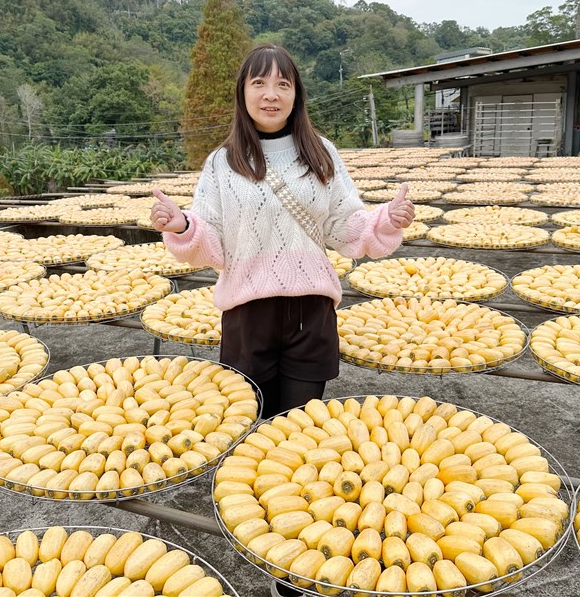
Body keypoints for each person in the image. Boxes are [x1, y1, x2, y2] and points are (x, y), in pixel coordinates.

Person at [150, 43, 414, 423]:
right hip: (248, 314)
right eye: (259, 82)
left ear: (296, 95)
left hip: (312, 312)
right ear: (243, 93)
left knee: (296, 428)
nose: (271, 94)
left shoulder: (320, 152)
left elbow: (342, 226)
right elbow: (213, 243)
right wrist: (183, 226)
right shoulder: (222, 163)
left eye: (283, 84)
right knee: (250, 427)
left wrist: (387, 218)